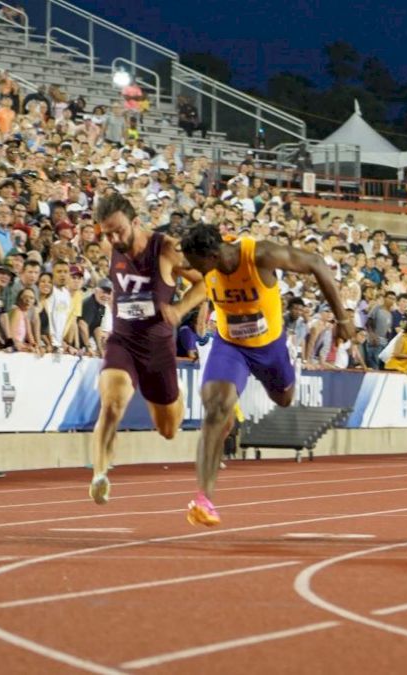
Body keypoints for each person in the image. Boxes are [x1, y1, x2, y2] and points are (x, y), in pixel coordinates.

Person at [179, 224, 352, 526]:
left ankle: (242, 403)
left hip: (270, 347)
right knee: (215, 408)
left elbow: (316, 263)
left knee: (284, 398)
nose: (194, 273)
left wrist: (342, 318)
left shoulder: (259, 254)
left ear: (212, 255)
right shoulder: (202, 262)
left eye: (197, 266)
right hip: (230, 345)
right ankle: (204, 500)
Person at [88, 193, 206, 505]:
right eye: (107, 233)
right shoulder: (108, 246)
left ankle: (175, 393)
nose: (113, 239)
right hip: (122, 340)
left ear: (136, 222)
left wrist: (180, 310)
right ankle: (100, 474)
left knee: (167, 430)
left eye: (119, 231)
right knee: (112, 403)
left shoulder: (166, 248)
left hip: (157, 347)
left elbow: (204, 284)